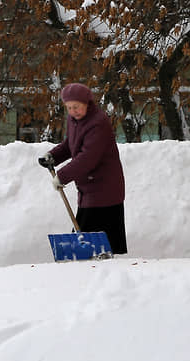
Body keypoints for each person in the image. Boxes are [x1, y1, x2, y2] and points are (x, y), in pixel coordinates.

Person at [39, 82, 127, 255]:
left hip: (104, 189)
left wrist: (62, 177)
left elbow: (88, 158)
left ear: (87, 103)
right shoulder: (74, 120)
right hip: (89, 188)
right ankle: (93, 267)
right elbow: (71, 144)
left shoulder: (98, 123)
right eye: (69, 107)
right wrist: (53, 156)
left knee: (92, 236)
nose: (73, 111)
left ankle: (98, 271)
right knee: (90, 237)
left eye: (77, 107)